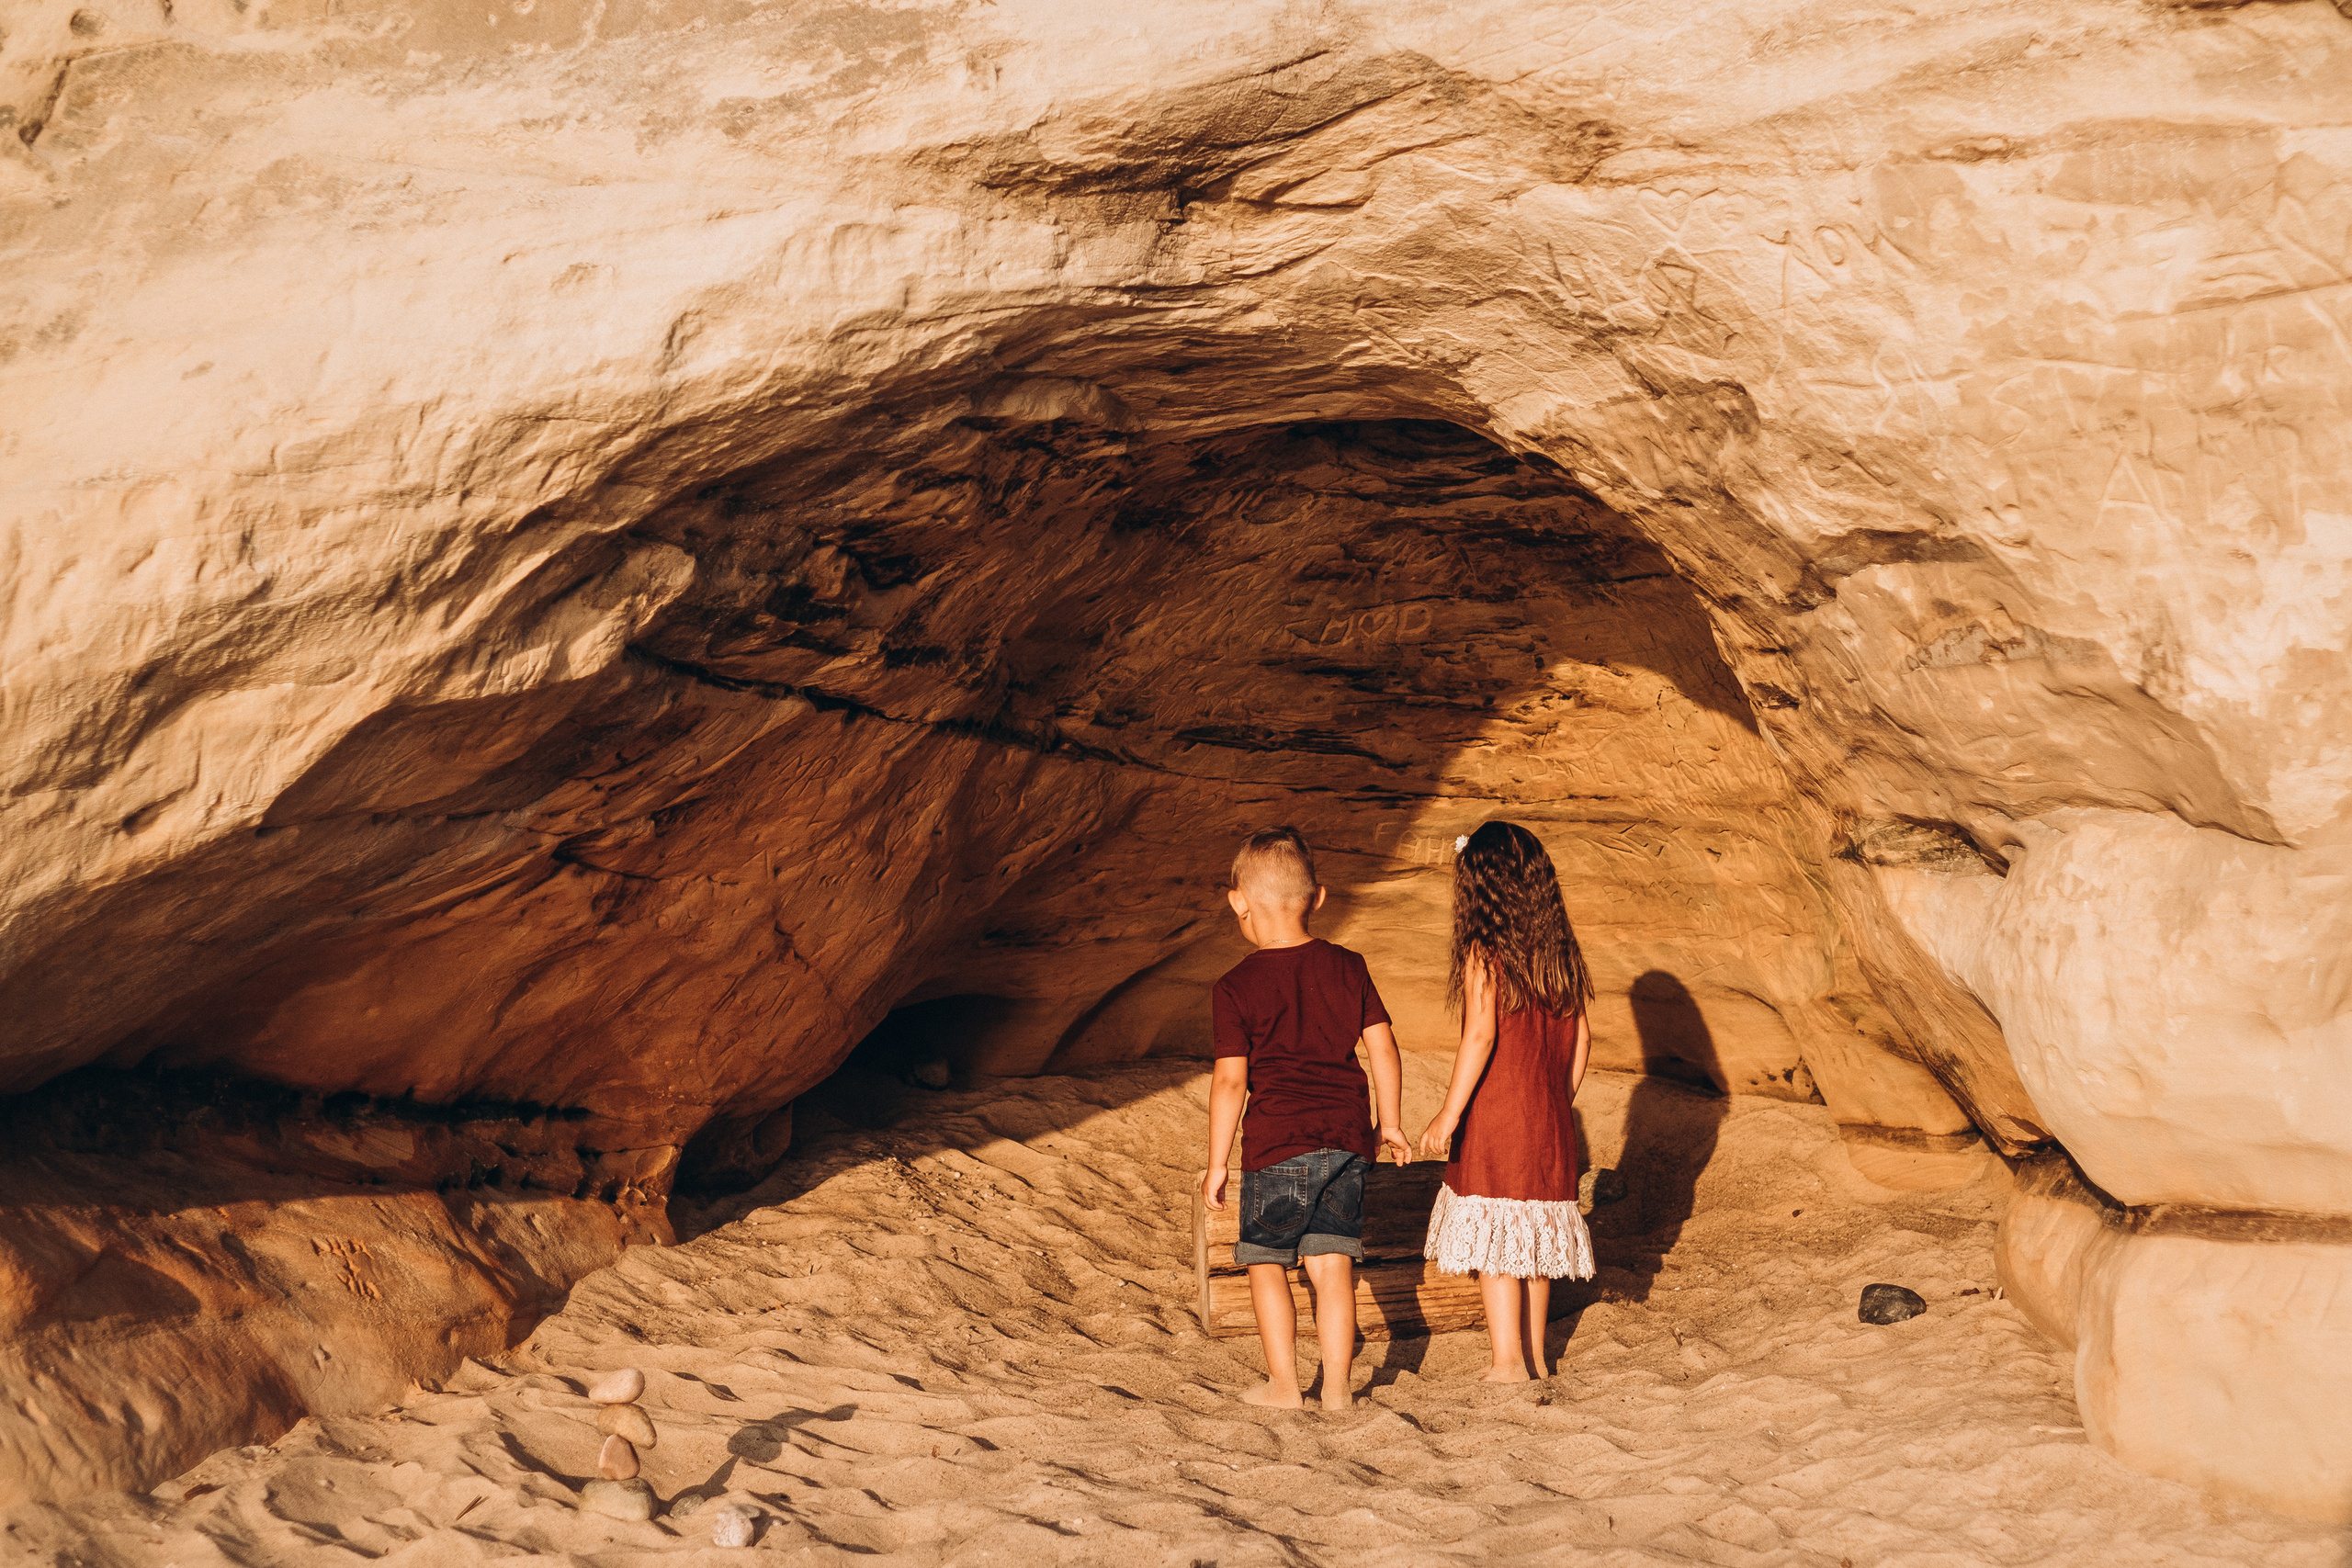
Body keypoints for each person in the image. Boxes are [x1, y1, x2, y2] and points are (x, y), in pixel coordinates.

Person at [1201, 827, 1410, 1410]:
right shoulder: (1348, 965)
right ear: (1318, 897)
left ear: (1238, 902)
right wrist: (1388, 1121)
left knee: (1266, 1264)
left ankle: (1286, 1386)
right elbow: (1384, 1048)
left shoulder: (1235, 986)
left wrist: (1217, 1162)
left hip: (1276, 1145)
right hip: (1346, 1140)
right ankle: (1340, 1389)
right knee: (1332, 1264)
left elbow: (1230, 1081)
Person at [1418, 820, 1596, 1382]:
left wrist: (1449, 1114)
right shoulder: (1557, 954)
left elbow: (1480, 1036)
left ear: (1479, 887)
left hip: (1498, 1114)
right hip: (1546, 1118)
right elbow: (1584, 1038)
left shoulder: (1484, 953)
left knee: (1498, 1244)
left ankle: (1506, 1361)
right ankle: (1538, 1357)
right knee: (1534, 1243)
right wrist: (1556, 1100)